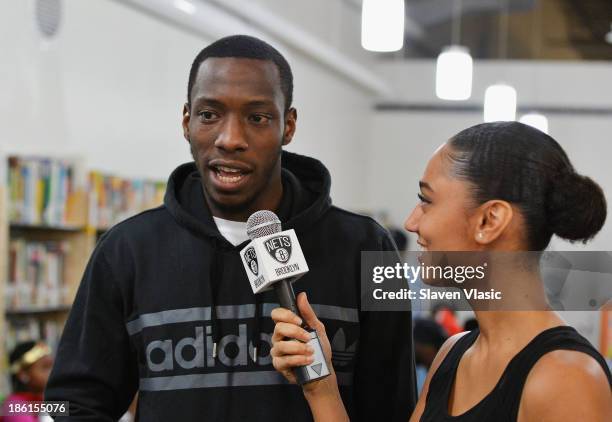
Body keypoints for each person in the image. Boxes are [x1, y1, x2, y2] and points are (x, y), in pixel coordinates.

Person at [44, 35, 416, 421]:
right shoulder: (125, 250)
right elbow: (66, 404)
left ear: (288, 126)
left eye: (257, 118)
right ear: (187, 121)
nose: (230, 139)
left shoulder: (370, 248)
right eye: (209, 115)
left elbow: (394, 406)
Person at [271, 121, 612, 421]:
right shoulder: (454, 354)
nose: (412, 221)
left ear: (489, 220)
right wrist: (321, 387)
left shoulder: (565, 378)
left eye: (427, 200)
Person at [1, 341, 54, 422]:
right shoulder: (14, 406)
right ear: (23, 375)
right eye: (45, 367)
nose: (52, 372)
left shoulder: (49, 401)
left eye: (53, 366)